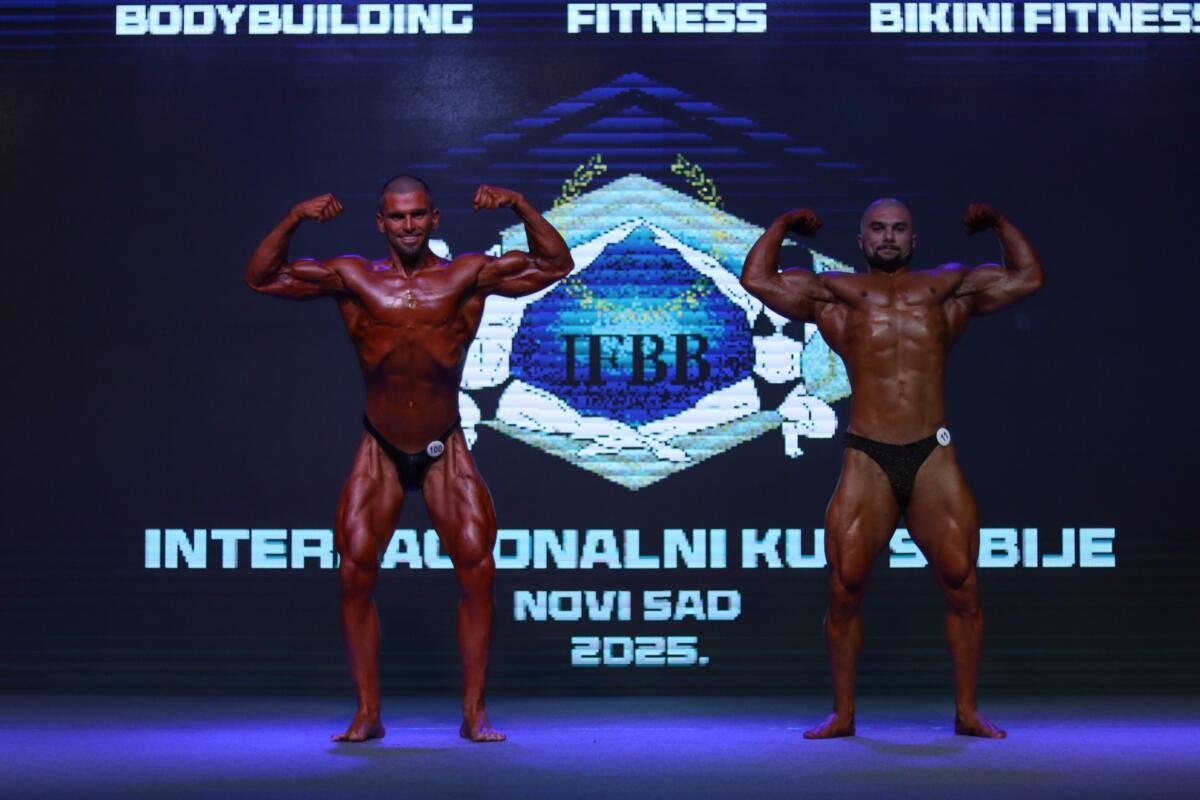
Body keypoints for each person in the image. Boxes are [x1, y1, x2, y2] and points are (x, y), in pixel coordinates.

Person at [244, 177, 573, 742]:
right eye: (397, 217)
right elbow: (262, 277)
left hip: (445, 443)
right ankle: (367, 714)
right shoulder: (353, 277)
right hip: (381, 444)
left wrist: (520, 205)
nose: (409, 225)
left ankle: (474, 713)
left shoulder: (468, 274)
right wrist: (296, 214)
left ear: (434, 218)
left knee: (478, 570)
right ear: (381, 223)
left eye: (418, 215)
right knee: (354, 573)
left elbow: (555, 264)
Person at [740, 199, 1044, 739]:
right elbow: (758, 280)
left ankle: (967, 712)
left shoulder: (946, 287)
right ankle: (843, 714)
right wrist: (784, 225)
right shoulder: (836, 293)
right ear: (861, 240)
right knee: (844, 588)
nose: (888, 237)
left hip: (932, 454)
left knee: (963, 585)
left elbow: (1027, 277)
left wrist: (999, 224)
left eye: (899, 229)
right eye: (878, 229)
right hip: (867, 455)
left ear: (913, 239)